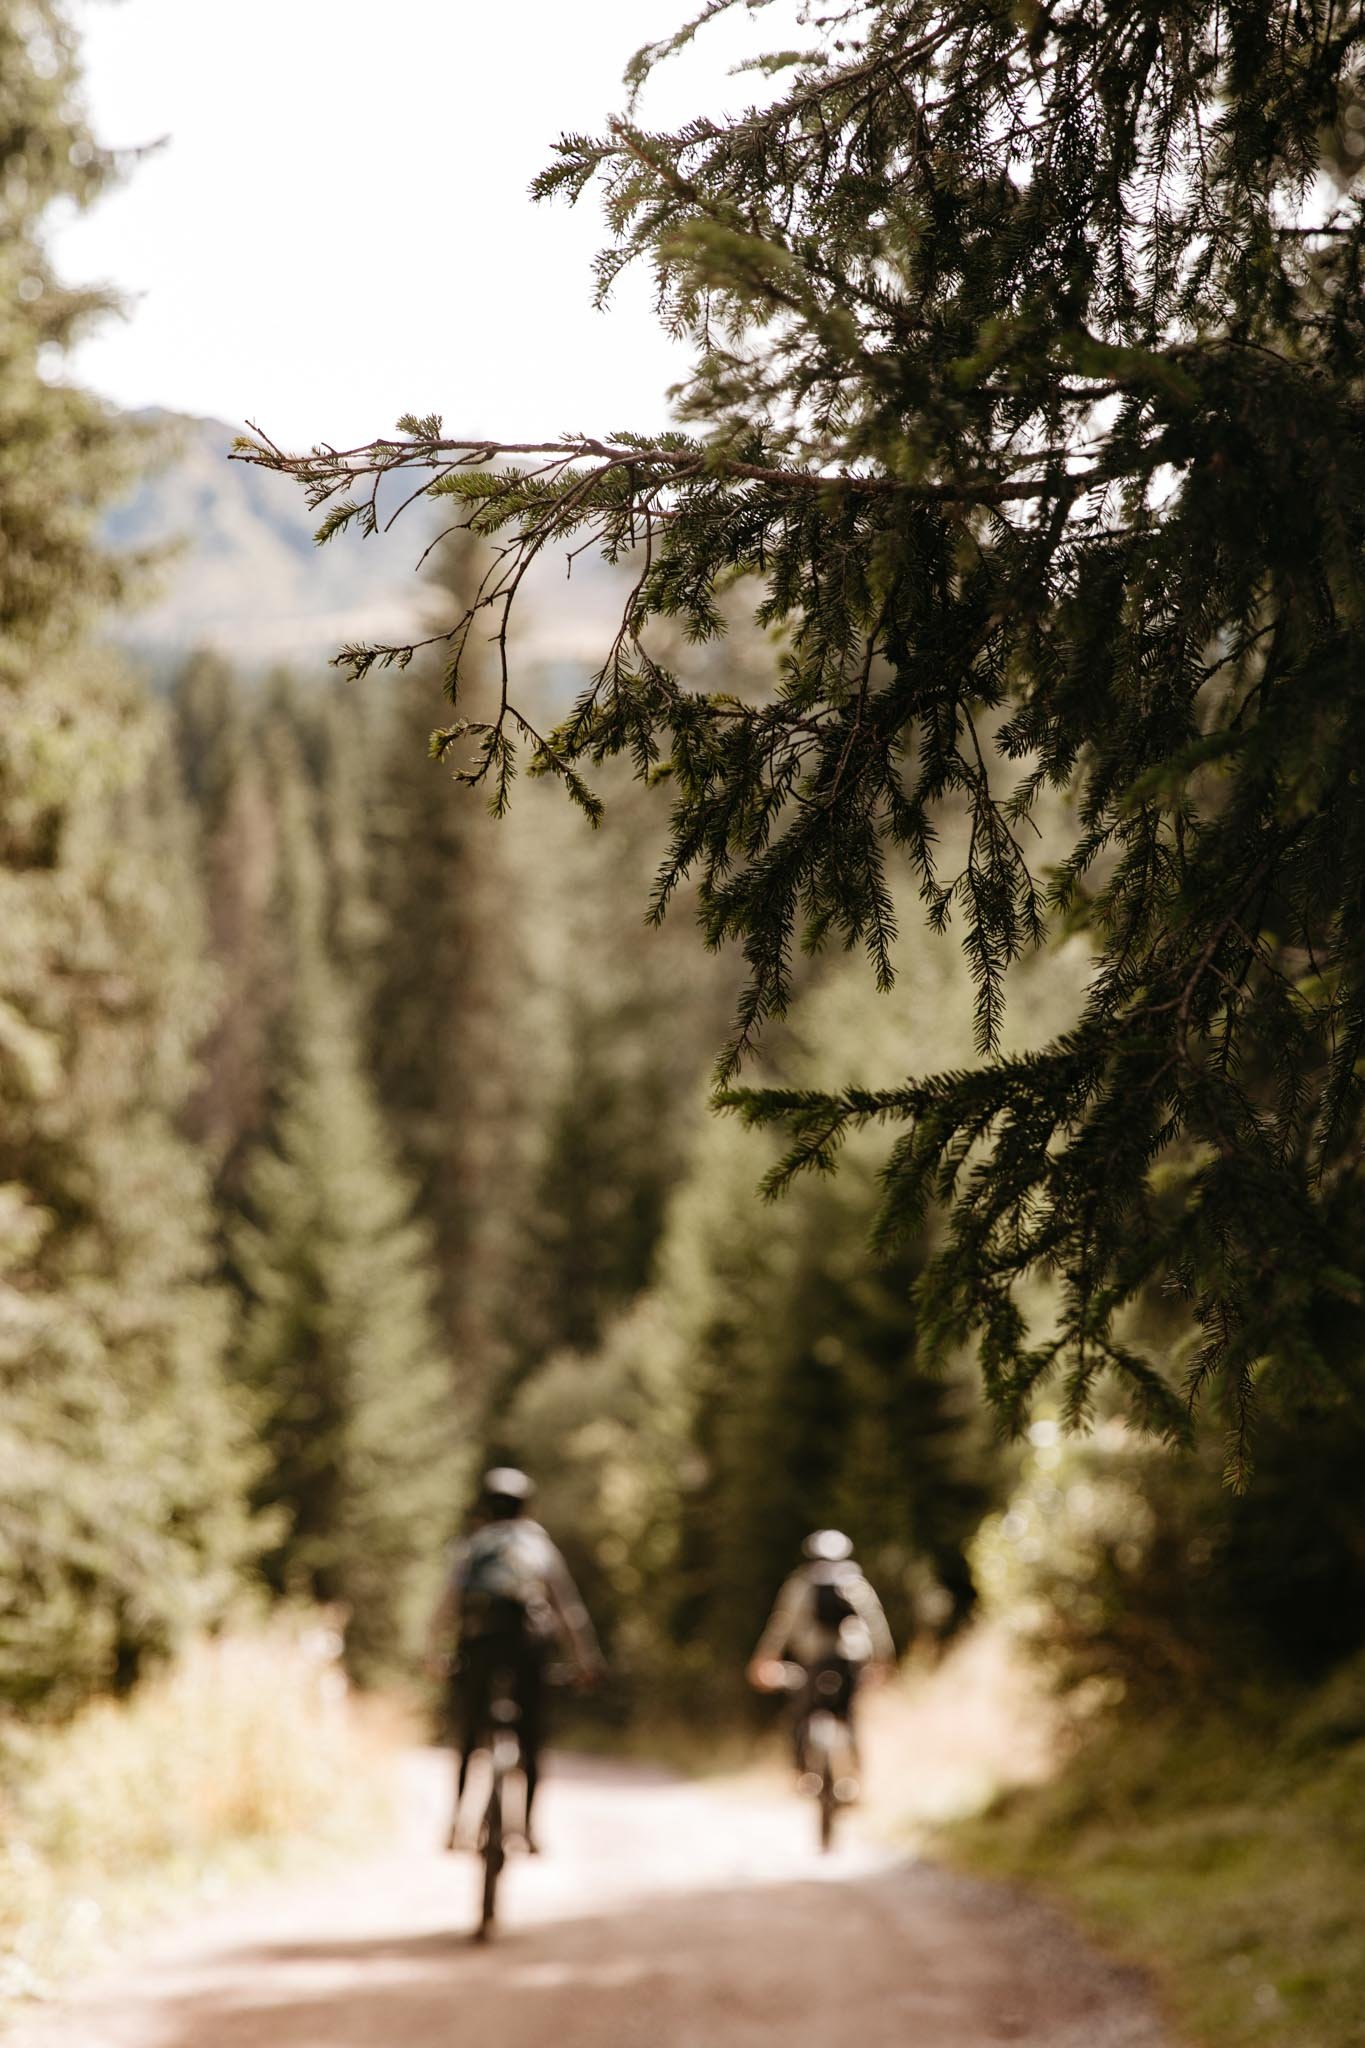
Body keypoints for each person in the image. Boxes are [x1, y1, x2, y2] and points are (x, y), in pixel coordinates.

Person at [427, 1467, 601, 1854]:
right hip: (529, 1647)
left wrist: (432, 1654)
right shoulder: (538, 1545)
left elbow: (447, 1606)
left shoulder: (471, 1546)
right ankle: (528, 1829)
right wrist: (585, 1660)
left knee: (469, 1736)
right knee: (533, 1737)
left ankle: (457, 1823)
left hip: (477, 1646)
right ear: (526, 1506)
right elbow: (568, 1610)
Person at [746, 1529, 895, 1783]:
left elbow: (781, 1624)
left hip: (813, 1658)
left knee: (801, 1713)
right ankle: (856, 1776)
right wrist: (884, 1659)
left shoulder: (801, 1583)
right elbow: (876, 1622)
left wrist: (765, 1657)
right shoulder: (854, 1582)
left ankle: (801, 1773)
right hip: (851, 1658)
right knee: (849, 1714)